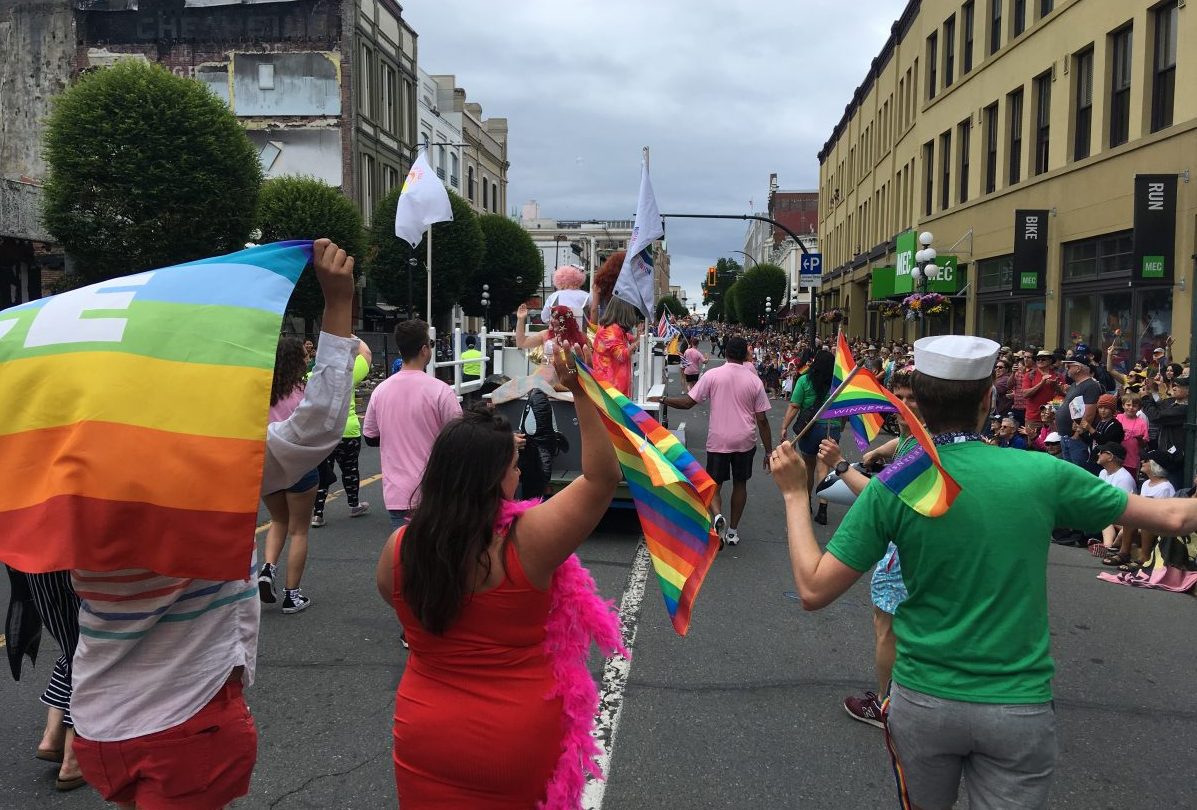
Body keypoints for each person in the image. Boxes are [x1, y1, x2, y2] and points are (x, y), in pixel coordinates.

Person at [768, 333, 1197, 810]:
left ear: (918, 403)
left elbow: (812, 588)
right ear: (988, 398)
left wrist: (792, 495)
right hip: (1018, 703)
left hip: (923, 698)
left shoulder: (896, 485)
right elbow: (1176, 517)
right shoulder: (1040, 472)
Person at [69, 238, 360, 809]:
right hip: (185, 713)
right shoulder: (205, 465)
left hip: (100, 721)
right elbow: (317, 426)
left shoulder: (63, 473)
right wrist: (338, 302)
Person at [375, 343, 621, 808]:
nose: (516, 475)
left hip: (423, 732)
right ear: (494, 481)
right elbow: (601, 479)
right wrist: (582, 392)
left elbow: (399, 601)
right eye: (512, 467)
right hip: (513, 739)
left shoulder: (400, 548)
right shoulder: (527, 542)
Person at [816, 366, 920, 729]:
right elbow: (901, 442)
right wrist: (877, 451)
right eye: (900, 398)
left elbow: (879, 498)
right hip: (914, 542)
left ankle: (886, 704)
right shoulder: (916, 435)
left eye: (913, 399)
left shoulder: (922, 446)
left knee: (887, 625)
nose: (905, 406)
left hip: (905, 548)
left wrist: (841, 465)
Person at [651, 336, 773, 545]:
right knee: (740, 483)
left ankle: (717, 516)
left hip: (719, 439)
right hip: (745, 439)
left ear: (725, 353)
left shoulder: (713, 375)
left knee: (714, 484)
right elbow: (762, 420)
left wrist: (663, 399)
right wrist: (769, 451)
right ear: (745, 355)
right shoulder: (754, 381)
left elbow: (688, 402)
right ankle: (733, 530)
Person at [363, 320, 463, 530]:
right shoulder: (441, 391)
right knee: (437, 557)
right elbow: (460, 438)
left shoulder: (380, 391)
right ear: (424, 350)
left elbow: (371, 437)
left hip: (397, 493)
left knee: (404, 557)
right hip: (435, 490)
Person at [257, 336, 322, 614]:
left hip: (266, 466)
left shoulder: (260, 392)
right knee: (299, 530)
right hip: (299, 465)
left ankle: (267, 569)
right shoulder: (302, 392)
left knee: (278, 520)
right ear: (297, 361)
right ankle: (292, 595)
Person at [311, 338, 373, 528]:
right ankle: (354, 505)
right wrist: (352, 337)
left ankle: (317, 514)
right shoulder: (347, 373)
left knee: (323, 472)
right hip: (348, 428)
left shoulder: (312, 375)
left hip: (322, 432)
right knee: (350, 469)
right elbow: (367, 354)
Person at [781, 350, 841, 525]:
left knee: (808, 465)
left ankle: (807, 502)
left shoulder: (805, 381)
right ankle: (823, 507)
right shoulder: (838, 384)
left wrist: (784, 426)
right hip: (832, 427)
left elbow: (794, 406)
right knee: (824, 469)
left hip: (810, 428)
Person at [1055, 356, 1102, 466]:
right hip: (1066, 436)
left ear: (1078, 368)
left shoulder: (1091, 385)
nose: (1066, 368)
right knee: (1069, 471)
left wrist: (1077, 434)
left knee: (1079, 470)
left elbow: (1089, 413)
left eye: (1069, 366)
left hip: (1077, 439)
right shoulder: (1074, 385)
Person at [591, 296, 640, 397]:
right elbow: (621, 355)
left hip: (613, 387)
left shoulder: (616, 329)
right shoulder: (610, 330)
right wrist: (637, 343)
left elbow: (629, 339)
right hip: (610, 388)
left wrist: (638, 338)